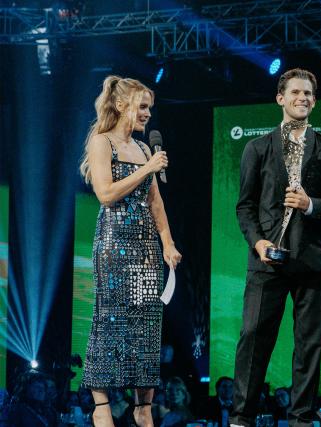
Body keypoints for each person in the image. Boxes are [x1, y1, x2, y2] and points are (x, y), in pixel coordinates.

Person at [231, 68, 321, 427]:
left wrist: (311, 204)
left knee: (309, 345)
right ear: (280, 98)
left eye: (308, 93)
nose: (303, 98)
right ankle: (241, 417)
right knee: (253, 338)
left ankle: (301, 419)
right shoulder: (257, 147)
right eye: (296, 92)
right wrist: (258, 242)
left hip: (312, 261)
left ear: (315, 101)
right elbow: (245, 206)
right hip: (266, 261)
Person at [79, 75, 182, 427]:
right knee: (110, 321)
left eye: (150, 108)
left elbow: (156, 202)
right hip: (114, 244)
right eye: (142, 106)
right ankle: (102, 404)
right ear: (122, 106)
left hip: (146, 248)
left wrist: (168, 243)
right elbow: (106, 194)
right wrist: (148, 170)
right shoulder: (102, 142)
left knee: (146, 325)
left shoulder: (143, 148)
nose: (148, 114)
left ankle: (143, 406)